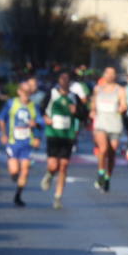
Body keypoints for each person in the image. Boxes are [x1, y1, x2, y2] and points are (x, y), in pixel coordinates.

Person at [41, 70, 83, 209]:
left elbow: (84, 114)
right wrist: (45, 118)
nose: (64, 81)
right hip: (53, 133)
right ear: (59, 81)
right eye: (62, 79)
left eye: (67, 79)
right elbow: (41, 109)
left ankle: (58, 197)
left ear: (70, 82)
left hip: (68, 135)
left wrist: (76, 111)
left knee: (64, 166)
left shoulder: (74, 97)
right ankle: (49, 174)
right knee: (54, 165)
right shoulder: (52, 94)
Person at [0, 75, 40, 207]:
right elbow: (1, 118)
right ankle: (15, 177)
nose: (26, 94)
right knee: (15, 171)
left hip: (27, 143)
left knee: (25, 169)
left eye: (29, 92)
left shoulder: (34, 106)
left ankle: (18, 196)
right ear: (19, 91)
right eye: (24, 91)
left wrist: (37, 134)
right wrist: (3, 134)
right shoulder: (11, 104)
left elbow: (40, 122)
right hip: (13, 141)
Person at [90, 66, 127, 192]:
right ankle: (101, 172)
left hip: (115, 125)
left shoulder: (120, 90)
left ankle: (107, 177)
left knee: (112, 153)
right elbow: (93, 104)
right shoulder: (98, 89)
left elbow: (124, 105)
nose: (110, 76)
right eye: (108, 73)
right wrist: (93, 111)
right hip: (101, 124)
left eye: (113, 74)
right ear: (104, 75)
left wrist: (121, 108)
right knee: (103, 148)